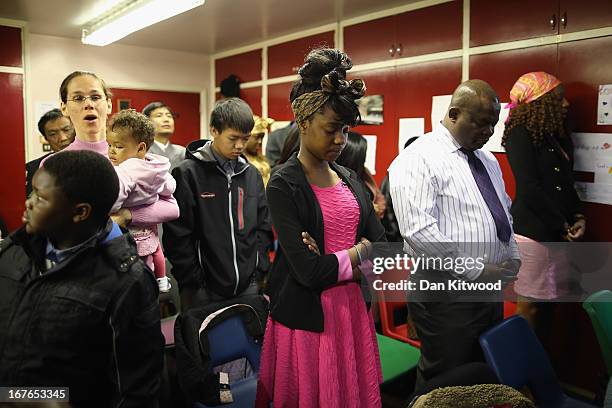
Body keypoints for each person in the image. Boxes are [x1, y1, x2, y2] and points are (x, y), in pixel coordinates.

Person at [256, 48, 386, 407]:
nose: (340, 140)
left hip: (352, 314)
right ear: (304, 122)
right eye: (331, 129)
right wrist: (359, 253)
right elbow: (309, 272)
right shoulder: (285, 183)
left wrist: (342, 259)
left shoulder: (348, 178)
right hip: (309, 320)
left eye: (345, 130)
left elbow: (384, 243)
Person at [0, 150, 163, 407]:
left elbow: (135, 391)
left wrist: (34, 399)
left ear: (80, 212)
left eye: (41, 198)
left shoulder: (126, 282)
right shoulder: (14, 250)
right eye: (32, 192)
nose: (28, 202)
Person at [389, 79, 521, 389]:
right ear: (454, 113)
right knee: (445, 378)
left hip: (487, 289)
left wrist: (511, 255)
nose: (489, 132)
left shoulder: (487, 160)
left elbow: (503, 213)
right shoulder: (419, 157)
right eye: (482, 123)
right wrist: (475, 269)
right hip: (446, 292)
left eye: (494, 124)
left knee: (480, 371)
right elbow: (418, 231)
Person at [163, 97, 273, 312]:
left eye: (245, 138)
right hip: (202, 288)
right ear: (214, 131)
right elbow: (177, 234)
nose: (240, 145)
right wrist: (193, 279)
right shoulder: (188, 173)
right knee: (204, 344)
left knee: (249, 343)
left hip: (248, 284)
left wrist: (259, 268)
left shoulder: (251, 174)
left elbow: (263, 225)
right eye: (233, 138)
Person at [42, 71, 179, 229]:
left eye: (95, 97)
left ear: (108, 104)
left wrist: (127, 216)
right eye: (78, 98)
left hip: (142, 251)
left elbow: (172, 207)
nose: (88, 104)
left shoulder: (135, 155)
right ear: (64, 107)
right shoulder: (53, 164)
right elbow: (52, 219)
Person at [502, 72, 585, 333]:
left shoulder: (555, 136)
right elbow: (529, 188)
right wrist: (562, 225)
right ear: (540, 102)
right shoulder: (519, 133)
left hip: (558, 232)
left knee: (550, 305)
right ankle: (521, 371)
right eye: (558, 99)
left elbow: (565, 183)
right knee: (530, 307)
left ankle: (541, 369)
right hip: (533, 232)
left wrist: (578, 217)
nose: (566, 104)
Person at [107, 109, 177, 293]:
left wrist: (114, 211)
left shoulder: (124, 170)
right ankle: (161, 280)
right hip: (150, 232)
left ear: (140, 148)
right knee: (154, 259)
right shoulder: (156, 166)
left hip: (125, 237)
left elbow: (118, 195)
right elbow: (169, 187)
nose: (111, 151)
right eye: (109, 145)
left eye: (118, 146)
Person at [336, 131, 387, 219]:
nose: (364, 159)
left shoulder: (364, 172)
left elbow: (379, 198)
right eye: (362, 156)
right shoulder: (335, 179)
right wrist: (368, 209)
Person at [26, 108, 75, 197]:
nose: (62, 138)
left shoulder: (95, 161)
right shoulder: (34, 169)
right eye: (53, 134)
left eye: (67, 130)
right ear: (46, 139)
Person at [380, 136, 419, 242]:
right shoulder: (394, 176)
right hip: (398, 241)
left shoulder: (419, 177)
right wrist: (396, 237)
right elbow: (387, 212)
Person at [143, 101, 186, 171]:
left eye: (169, 116)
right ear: (147, 122)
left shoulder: (183, 152)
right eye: (159, 115)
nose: (166, 120)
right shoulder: (142, 151)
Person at [244, 115, 274, 186]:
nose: (260, 141)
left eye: (262, 137)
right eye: (256, 137)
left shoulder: (263, 159)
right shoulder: (240, 162)